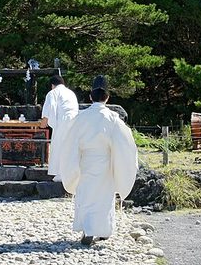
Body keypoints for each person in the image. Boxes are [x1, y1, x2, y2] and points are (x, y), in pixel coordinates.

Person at [60, 81, 138, 245]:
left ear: (90, 97)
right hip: (105, 163)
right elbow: (125, 142)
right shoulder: (112, 118)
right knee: (104, 197)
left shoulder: (80, 117)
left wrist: (72, 164)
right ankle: (103, 231)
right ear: (107, 98)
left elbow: (70, 141)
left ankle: (87, 230)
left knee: (85, 195)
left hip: (86, 162)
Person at [41, 74, 79, 180]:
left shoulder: (53, 93)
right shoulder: (71, 93)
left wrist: (43, 123)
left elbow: (49, 110)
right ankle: (71, 172)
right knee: (71, 146)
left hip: (63, 121)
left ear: (52, 85)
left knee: (59, 146)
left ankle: (61, 174)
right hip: (75, 121)